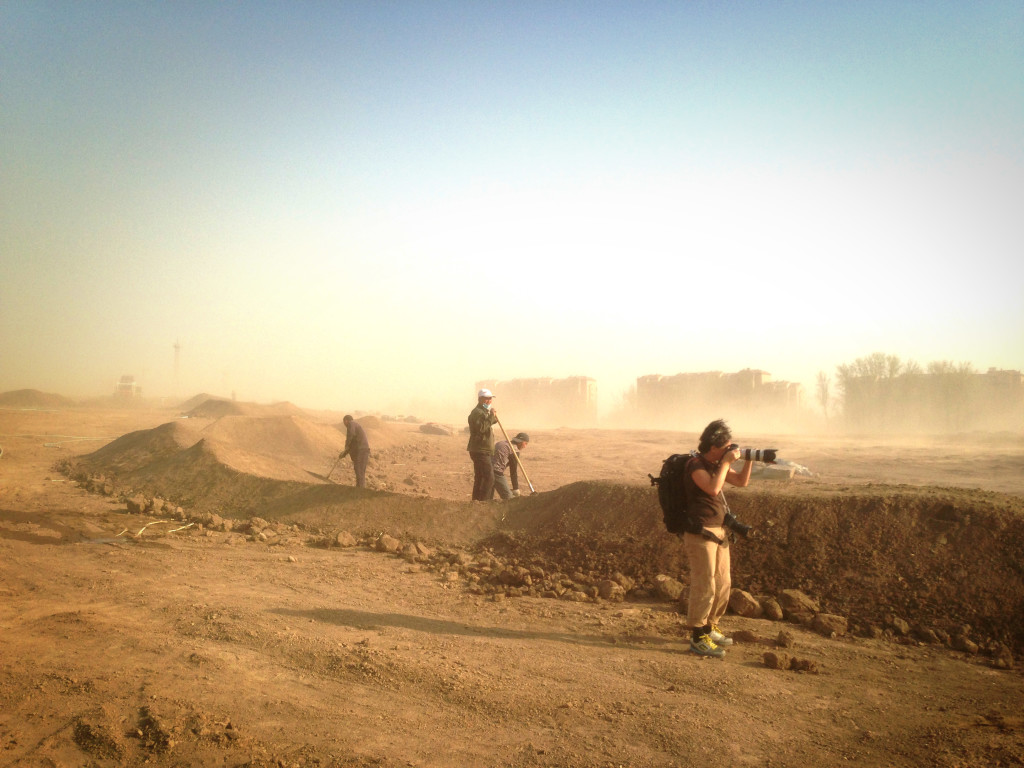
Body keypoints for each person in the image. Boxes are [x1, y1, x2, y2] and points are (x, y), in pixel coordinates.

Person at [682, 418, 755, 658]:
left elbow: (742, 482)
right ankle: (697, 636)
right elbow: (713, 489)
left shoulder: (716, 464)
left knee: (723, 582)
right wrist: (724, 463)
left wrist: (748, 460)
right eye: (726, 447)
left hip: (720, 531)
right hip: (701, 532)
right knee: (705, 584)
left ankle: (711, 626)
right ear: (714, 447)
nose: (730, 452)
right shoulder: (696, 465)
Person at [467, 389, 498, 500]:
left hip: (483, 450)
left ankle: (476, 501)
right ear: (480, 399)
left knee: (480, 478)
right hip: (480, 450)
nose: (489, 401)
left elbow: (486, 423)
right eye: (486, 398)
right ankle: (484, 503)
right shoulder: (477, 412)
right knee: (489, 478)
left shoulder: (483, 412)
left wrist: (493, 417)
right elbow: (481, 428)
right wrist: (491, 416)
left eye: (490, 399)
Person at [492, 432, 530, 499]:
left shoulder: (502, 443)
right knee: (508, 497)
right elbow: (513, 472)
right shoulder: (514, 451)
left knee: (488, 495)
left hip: (485, 469)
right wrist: (516, 488)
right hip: (496, 472)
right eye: (525, 443)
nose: (525, 446)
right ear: (521, 442)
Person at [338, 414, 370, 488]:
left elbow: (350, 436)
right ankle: (359, 487)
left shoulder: (351, 424)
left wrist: (346, 446)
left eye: (344, 422)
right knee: (358, 469)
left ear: (346, 420)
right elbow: (351, 444)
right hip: (362, 450)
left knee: (359, 470)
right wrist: (344, 454)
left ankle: (360, 489)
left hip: (361, 450)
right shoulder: (355, 426)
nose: (344, 425)